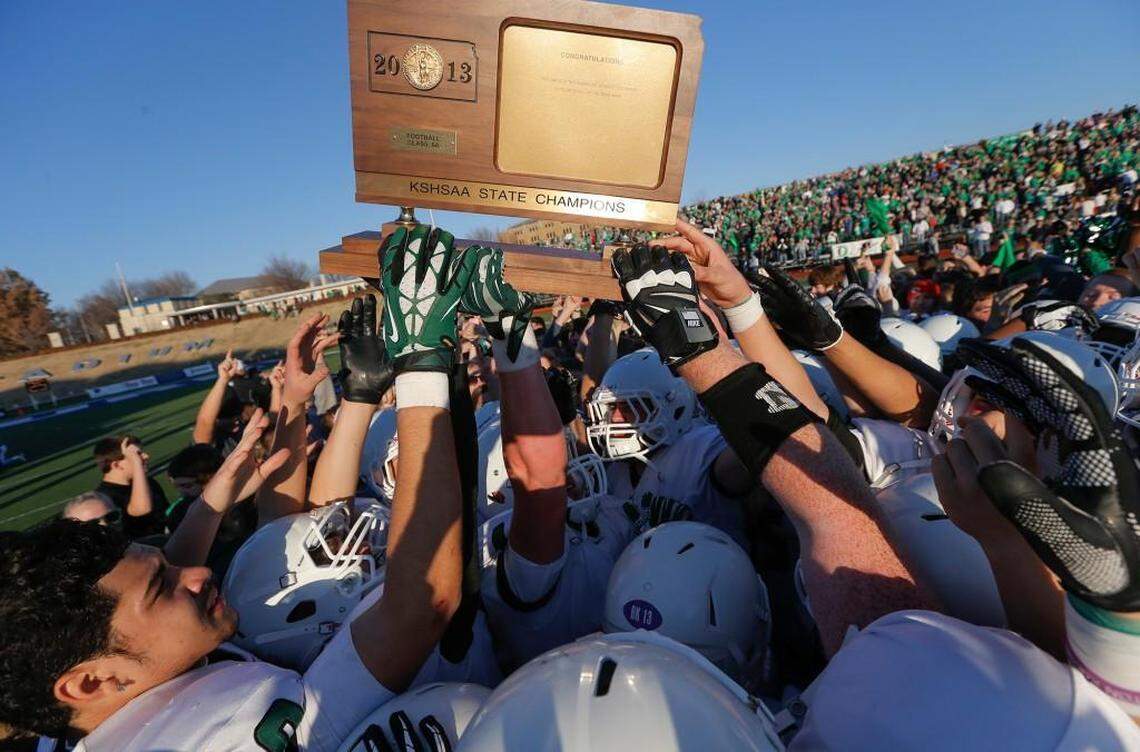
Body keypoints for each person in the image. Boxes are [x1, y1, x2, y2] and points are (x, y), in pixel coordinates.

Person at [0, 223, 477, 750]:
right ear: (89, 683)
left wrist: (278, 420)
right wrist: (422, 363)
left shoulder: (98, 701)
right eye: (164, 587)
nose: (201, 572)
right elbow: (421, 605)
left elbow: (140, 596)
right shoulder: (224, 736)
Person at [91, 435, 167, 539]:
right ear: (116, 465)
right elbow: (142, 509)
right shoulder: (104, 498)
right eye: (137, 454)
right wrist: (137, 463)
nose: (146, 456)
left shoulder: (149, 482)